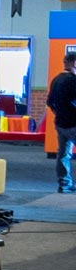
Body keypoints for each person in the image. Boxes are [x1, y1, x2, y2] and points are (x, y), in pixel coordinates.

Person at [50, 53, 76, 193]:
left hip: (60, 123)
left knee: (63, 154)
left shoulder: (56, 80)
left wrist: (59, 112)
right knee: (64, 154)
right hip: (73, 123)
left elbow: (50, 101)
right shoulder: (73, 80)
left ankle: (64, 184)